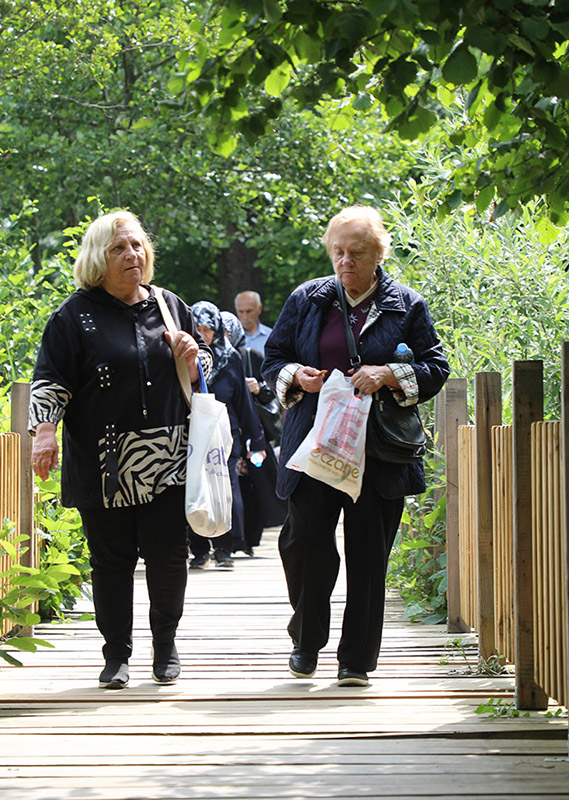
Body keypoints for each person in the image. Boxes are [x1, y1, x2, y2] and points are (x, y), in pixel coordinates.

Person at [262, 205, 449, 687]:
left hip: (378, 453)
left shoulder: (407, 305)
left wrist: (389, 374)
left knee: (369, 556)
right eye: (338, 252)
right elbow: (274, 358)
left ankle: (356, 661)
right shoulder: (307, 299)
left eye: (356, 253)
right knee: (302, 545)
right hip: (314, 444)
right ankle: (306, 640)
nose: (345, 262)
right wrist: (295, 376)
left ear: (378, 254)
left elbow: (435, 368)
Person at [29, 210, 209, 690]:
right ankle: (116, 654)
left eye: (136, 246)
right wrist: (45, 430)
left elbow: (200, 372)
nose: (132, 255)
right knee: (111, 562)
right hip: (104, 462)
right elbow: (50, 378)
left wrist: (192, 358)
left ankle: (165, 645)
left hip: (169, 457)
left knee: (170, 555)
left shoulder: (170, 305)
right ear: (97, 259)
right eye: (118, 249)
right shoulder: (74, 316)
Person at [187, 302, 267, 569]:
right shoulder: (182, 356)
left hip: (223, 432)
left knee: (225, 488)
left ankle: (225, 547)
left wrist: (256, 441)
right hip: (190, 432)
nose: (203, 334)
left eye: (208, 329)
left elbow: (243, 401)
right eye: (197, 328)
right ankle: (198, 549)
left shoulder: (230, 357)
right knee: (193, 488)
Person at [223, 310, 286, 555]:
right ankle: (231, 539)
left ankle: (250, 538)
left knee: (256, 485)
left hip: (254, 435)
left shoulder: (251, 356)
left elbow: (275, 392)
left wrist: (257, 388)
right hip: (227, 433)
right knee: (233, 484)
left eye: (228, 331)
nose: (225, 336)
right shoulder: (211, 359)